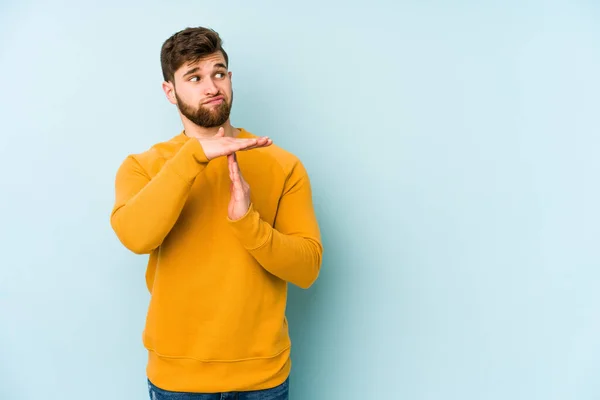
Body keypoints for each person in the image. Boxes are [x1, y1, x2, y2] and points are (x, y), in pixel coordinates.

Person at [109, 26, 323, 399]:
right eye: (194, 77)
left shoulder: (282, 164)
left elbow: (307, 269)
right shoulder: (142, 166)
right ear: (170, 91)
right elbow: (135, 237)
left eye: (218, 73)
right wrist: (194, 154)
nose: (212, 87)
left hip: (263, 379)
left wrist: (248, 224)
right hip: (178, 382)